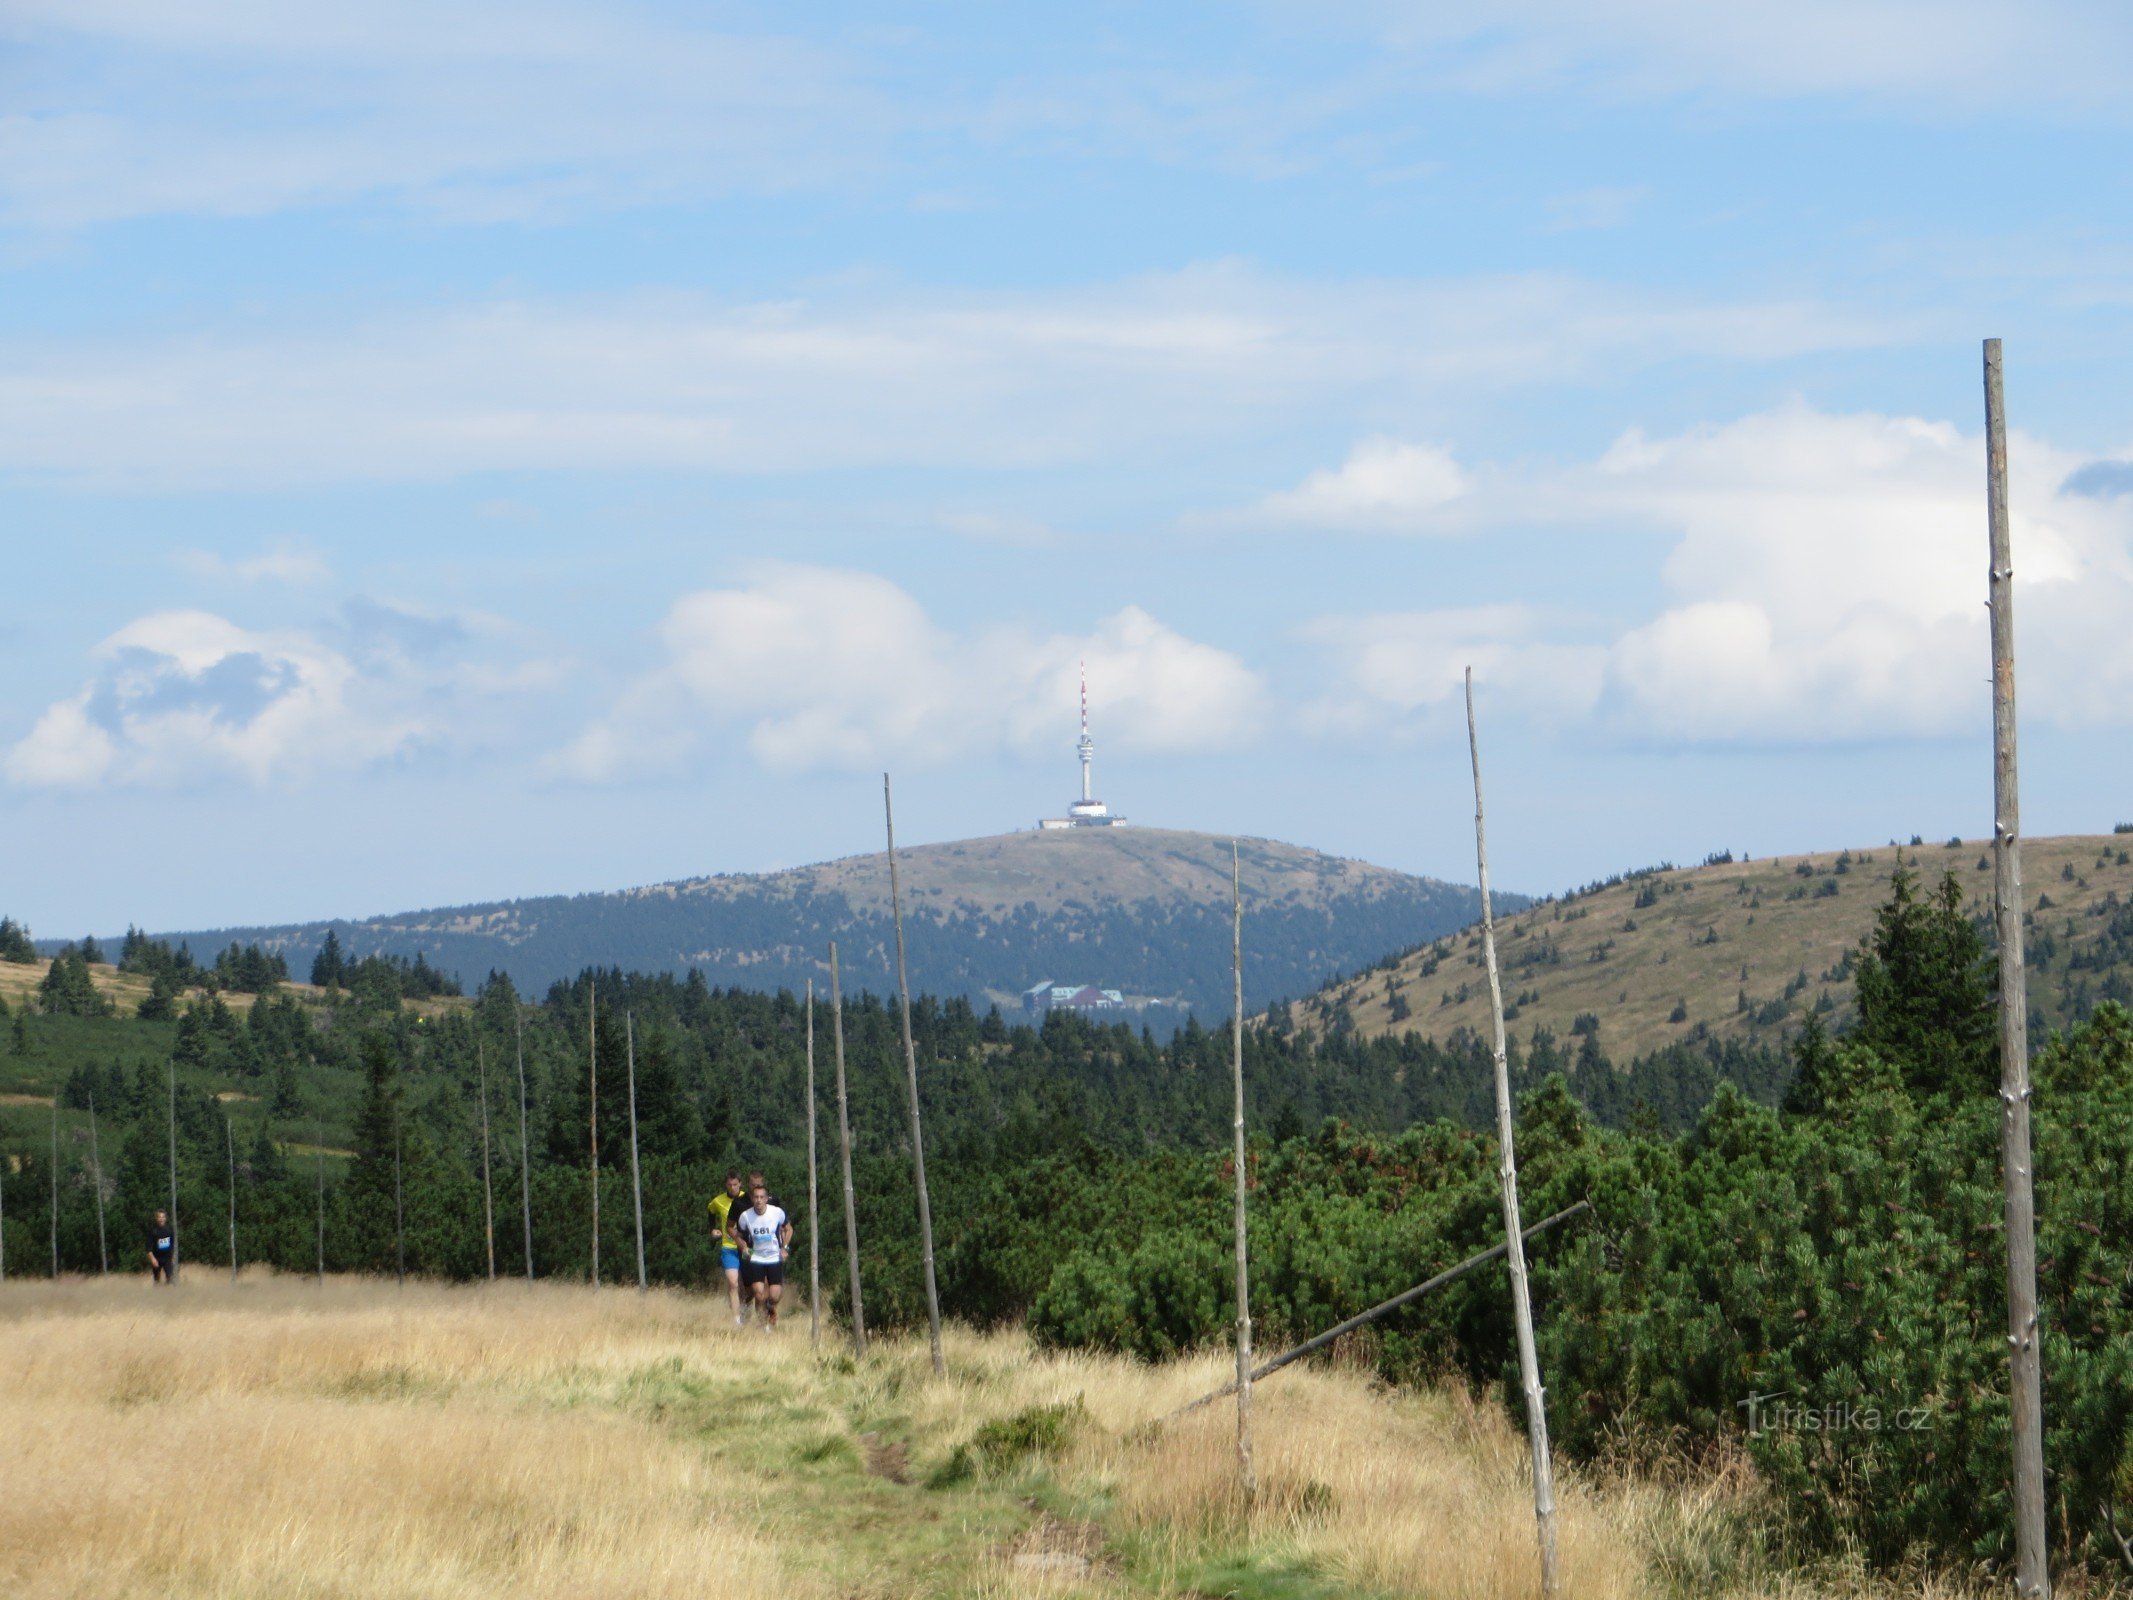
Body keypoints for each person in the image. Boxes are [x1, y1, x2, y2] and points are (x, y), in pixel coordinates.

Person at [730, 1181, 792, 1330]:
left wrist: (784, 1248)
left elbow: (788, 1229)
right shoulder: (745, 1216)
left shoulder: (776, 1212)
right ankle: (764, 1326)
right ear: (752, 1199)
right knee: (758, 1294)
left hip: (773, 1257)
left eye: (761, 1197)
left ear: (766, 1199)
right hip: (756, 1258)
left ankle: (770, 1307)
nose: (758, 1200)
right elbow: (737, 1234)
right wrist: (743, 1245)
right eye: (756, 1197)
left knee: (775, 1296)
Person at [708, 1171, 746, 1326]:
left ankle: (745, 1312)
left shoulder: (748, 1198)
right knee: (733, 1283)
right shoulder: (718, 1201)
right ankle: (736, 1320)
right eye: (730, 1185)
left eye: (735, 1184)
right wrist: (712, 1229)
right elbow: (710, 1212)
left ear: (740, 1184)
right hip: (728, 1247)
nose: (732, 1188)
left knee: (746, 1285)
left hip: (745, 1247)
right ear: (726, 1185)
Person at [146, 1209, 174, 1285]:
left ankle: (168, 1293)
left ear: (165, 1218)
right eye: (159, 1217)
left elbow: (172, 1245)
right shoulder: (152, 1231)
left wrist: (172, 1257)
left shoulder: (169, 1230)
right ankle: (157, 1294)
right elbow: (148, 1248)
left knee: (169, 1277)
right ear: (156, 1218)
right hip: (157, 1258)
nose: (161, 1219)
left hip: (167, 1258)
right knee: (157, 1279)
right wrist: (152, 1259)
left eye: (163, 1217)